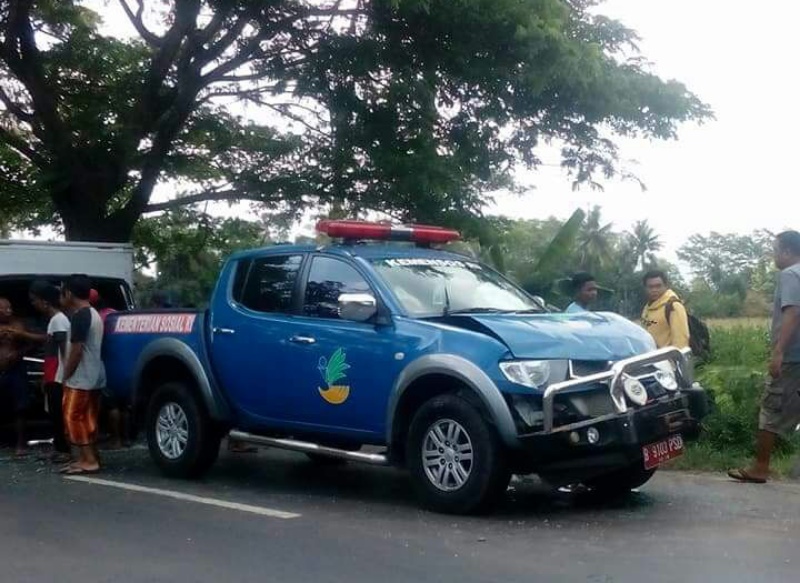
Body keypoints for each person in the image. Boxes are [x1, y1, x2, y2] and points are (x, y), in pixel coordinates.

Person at [729, 231, 800, 484]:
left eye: (775, 249)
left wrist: (779, 351)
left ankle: (761, 467)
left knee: (771, 408)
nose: (773, 255)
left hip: (793, 357)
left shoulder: (790, 275)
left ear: (787, 252)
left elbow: (792, 313)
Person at [60, 274, 105, 474]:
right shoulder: (93, 313)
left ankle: (88, 460)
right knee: (88, 418)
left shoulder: (80, 316)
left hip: (81, 377)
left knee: (72, 416)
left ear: (68, 292)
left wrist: (65, 375)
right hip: (94, 375)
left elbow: (77, 350)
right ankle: (91, 457)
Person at [29, 281, 72, 463]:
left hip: (58, 373)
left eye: (34, 300)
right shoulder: (54, 321)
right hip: (53, 372)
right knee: (54, 413)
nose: (33, 304)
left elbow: (64, 351)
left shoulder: (58, 320)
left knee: (58, 413)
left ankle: (65, 450)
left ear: (45, 302)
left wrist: (63, 375)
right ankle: (59, 448)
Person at [90, 288, 129, 450]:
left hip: (108, 364)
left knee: (111, 405)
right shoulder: (115, 314)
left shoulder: (98, 318)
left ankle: (116, 440)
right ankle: (126, 438)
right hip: (124, 363)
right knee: (124, 405)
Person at [0, 297, 32, 456]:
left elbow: (31, 344)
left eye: (10, 308)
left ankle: (21, 443)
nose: (9, 311)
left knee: (20, 407)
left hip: (16, 369)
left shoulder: (18, 324)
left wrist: (18, 353)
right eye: (5, 309)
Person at [640, 270, 690, 349]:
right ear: (645, 288)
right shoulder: (647, 307)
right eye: (650, 287)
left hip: (666, 358)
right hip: (650, 357)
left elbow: (681, 340)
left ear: (666, 286)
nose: (654, 290)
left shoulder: (673, 306)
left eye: (658, 286)